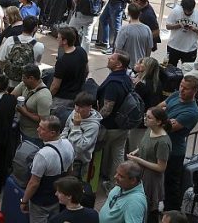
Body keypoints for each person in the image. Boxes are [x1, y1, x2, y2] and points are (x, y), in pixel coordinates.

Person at [20, 116, 75, 223]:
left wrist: (24, 201)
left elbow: (34, 183)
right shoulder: (68, 144)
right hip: (59, 198)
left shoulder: (43, 154)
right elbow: (70, 172)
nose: (37, 129)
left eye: (42, 128)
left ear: (52, 133)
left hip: (41, 202)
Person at [159, 76, 198, 212]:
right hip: (162, 145)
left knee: (171, 186)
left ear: (195, 90)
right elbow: (157, 109)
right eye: (181, 86)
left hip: (174, 152)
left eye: (186, 88)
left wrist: (161, 117)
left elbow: (167, 127)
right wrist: (163, 117)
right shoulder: (176, 95)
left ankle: (172, 214)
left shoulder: (192, 112)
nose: (181, 90)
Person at [127, 106, 172, 223]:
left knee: (147, 209)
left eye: (149, 117)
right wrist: (136, 151)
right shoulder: (150, 130)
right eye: (145, 116)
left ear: (159, 122)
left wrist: (138, 160)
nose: (145, 119)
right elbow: (145, 145)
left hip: (151, 179)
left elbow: (161, 167)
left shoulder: (162, 142)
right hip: (141, 173)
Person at [98, 50, 134, 191]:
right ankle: (117, 184)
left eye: (112, 58)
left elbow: (107, 108)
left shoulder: (113, 84)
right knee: (118, 154)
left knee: (106, 152)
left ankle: (106, 177)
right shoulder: (126, 79)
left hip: (110, 126)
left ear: (119, 64)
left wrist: (95, 119)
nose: (108, 59)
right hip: (123, 125)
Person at [61, 92, 103, 179]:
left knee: (71, 186)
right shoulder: (74, 112)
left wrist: (76, 126)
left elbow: (80, 147)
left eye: (81, 107)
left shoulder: (93, 126)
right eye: (76, 105)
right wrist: (62, 142)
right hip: (65, 154)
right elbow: (66, 128)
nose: (77, 109)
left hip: (77, 162)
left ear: (89, 107)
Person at [51, 27, 89, 113]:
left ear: (65, 41)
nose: (57, 39)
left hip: (63, 98)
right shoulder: (81, 51)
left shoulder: (62, 61)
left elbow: (55, 86)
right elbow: (86, 71)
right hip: (77, 95)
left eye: (59, 37)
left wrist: (49, 96)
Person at [13, 63, 53, 144]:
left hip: (32, 137)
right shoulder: (25, 85)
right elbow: (12, 96)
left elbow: (43, 121)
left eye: (24, 78)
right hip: (20, 129)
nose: (22, 80)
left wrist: (25, 112)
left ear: (31, 78)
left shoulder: (44, 96)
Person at [164, 0, 198, 66]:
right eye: (185, 11)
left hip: (190, 49)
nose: (187, 13)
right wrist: (178, 25)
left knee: (188, 71)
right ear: (182, 8)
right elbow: (168, 26)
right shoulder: (175, 11)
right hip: (173, 46)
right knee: (169, 68)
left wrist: (194, 29)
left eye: (189, 12)